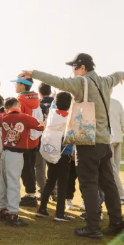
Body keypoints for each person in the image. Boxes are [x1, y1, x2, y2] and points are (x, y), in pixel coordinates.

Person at [21, 52, 124, 239]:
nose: (72, 71)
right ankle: (117, 222)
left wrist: (34, 74)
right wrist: (123, 75)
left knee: (88, 184)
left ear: (82, 67)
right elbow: (117, 75)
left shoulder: (82, 83)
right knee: (109, 184)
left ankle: (93, 227)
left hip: (87, 143)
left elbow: (59, 82)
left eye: (74, 67)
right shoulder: (105, 81)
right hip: (104, 143)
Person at [0, 97, 45, 227]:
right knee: (13, 183)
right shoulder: (24, 117)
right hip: (16, 154)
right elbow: (40, 126)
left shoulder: (3, 117)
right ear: (18, 105)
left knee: (3, 182)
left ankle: (3, 209)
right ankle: (13, 214)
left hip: (5, 152)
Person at [37, 92, 75, 222]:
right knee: (62, 184)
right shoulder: (69, 118)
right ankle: (60, 213)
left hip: (51, 152)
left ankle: (42, 209)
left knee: (51, 180)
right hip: (64, 154)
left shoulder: (52, 115)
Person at [11, 77, 44, 207]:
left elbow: (18, 121)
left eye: (17, 84)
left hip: (24, 140)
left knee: (25, 168)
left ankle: (30, 195)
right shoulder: (36, 100)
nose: (15, 86)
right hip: (34, 139)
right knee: (30, 167)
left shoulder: (20, 101)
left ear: (23, 86)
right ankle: (31, 193)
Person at [109, 95, 124, 205]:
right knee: (115, 169)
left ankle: (122, 195)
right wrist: (120, 132)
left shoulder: (100, 101)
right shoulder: (117, 102)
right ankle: (118, 194)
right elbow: (123, 121)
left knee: (113, 169)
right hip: (118, 137)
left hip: (108, 138)